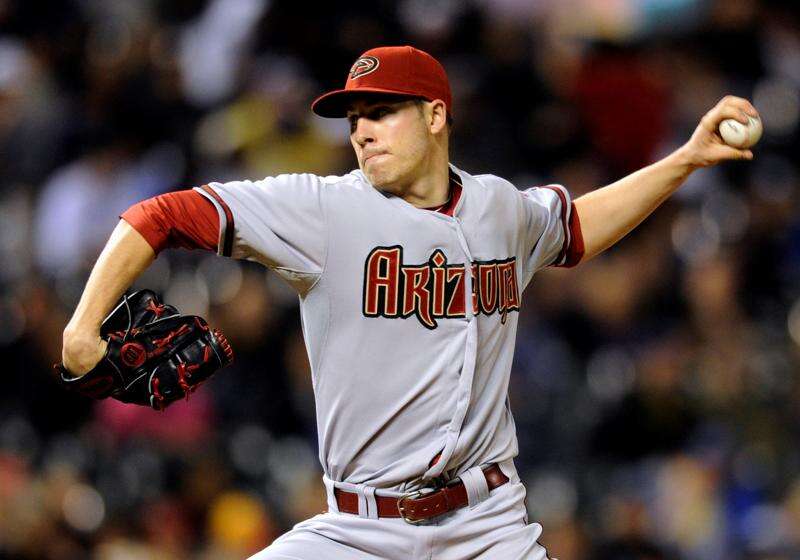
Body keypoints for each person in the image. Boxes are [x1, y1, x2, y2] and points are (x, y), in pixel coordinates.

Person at [60, 45, 759, 559]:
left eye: (381, 112)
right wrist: (83, 326)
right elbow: (160, 215)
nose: (361, 131)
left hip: (488, 527)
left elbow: (574, 228)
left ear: (434, 115)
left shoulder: (498, 207)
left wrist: (686, 160)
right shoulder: (322, 211)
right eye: (353, 118)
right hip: (359, 530)